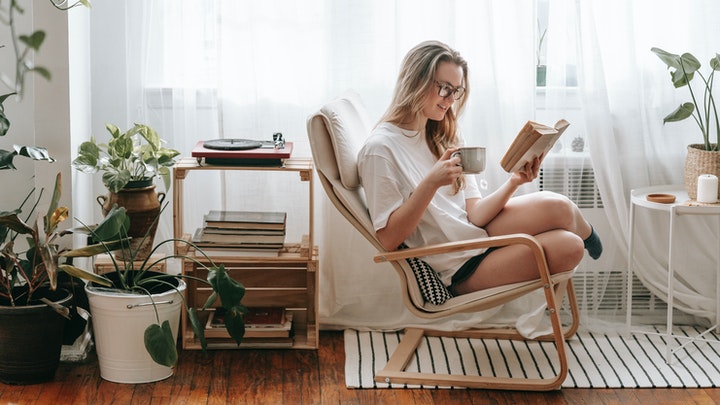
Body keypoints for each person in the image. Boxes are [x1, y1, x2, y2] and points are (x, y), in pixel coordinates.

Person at [357, 40, 602, 296]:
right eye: (444, 88)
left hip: (476, 234)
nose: (451, 100)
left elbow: (474, 213)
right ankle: (583, 238)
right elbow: (387, 240)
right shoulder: (380, 150)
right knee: (570, 247)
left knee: (560, 207)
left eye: (457, 91)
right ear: (415, 81)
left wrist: (514, 182)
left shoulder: (441, 133)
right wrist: (430, 183)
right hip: (459, 266)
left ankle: (589, 235)